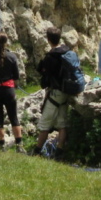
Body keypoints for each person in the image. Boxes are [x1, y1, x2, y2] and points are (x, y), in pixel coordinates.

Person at [34, 27, 72, 159]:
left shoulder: (51, 56)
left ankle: (37, 151)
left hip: (55, 92)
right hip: (66, 91)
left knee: (45, 123)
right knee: (62, 123)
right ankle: (60, 152)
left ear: (48, 39)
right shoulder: (68, 51)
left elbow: (45, 73)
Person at [0, 32, 24, 152]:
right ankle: (19, 145)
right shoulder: (11, 56)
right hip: (8, 90)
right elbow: (16, 76)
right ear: (7, 42)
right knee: (14, 117)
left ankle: (2, 146)